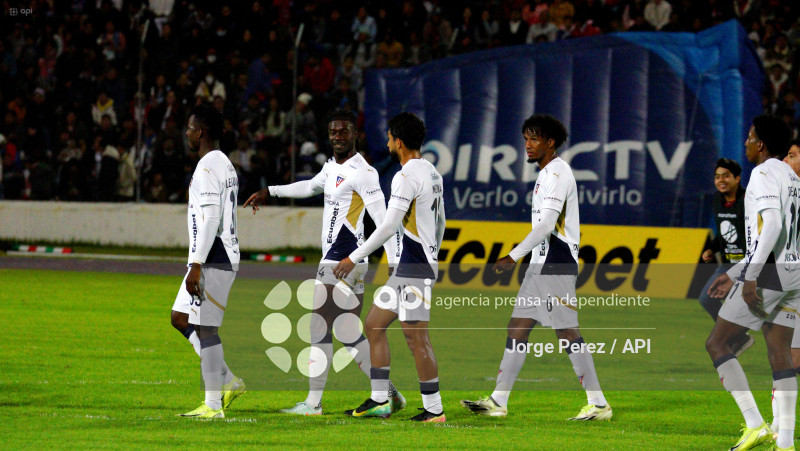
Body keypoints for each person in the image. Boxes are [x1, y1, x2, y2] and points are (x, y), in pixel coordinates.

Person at [244, 110, 405, 415]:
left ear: (354, 134)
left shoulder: (364, 172)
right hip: (340, 259)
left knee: (319, 326)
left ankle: (313, 403)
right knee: (346, 332)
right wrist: (271, 191)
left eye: (343, 132)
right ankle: (388, 393)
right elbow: (310, 186)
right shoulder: (332, 167)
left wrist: (393, 265)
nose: (337, 137)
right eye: (333, 132)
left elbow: (385, 222)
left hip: (343, 259)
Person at [460, 114, 611, 420]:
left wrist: (512, 256)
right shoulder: (546, 173)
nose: (527, 145)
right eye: (526, 138)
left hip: (556, 263)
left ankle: (598, 403)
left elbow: (545, 225)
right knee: (517, 328)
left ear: (550, 142)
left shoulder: (557, 174)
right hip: (541, 265)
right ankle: (499, 400)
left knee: (567, 332)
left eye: (534, 139)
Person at [333, 112, 446, 423]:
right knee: (373, 324)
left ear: (398, 142)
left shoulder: (406, 175)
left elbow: (387, 226)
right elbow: (442, 221)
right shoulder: (432, 172)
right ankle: (381, 399)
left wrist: (352, 257)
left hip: (415, 268)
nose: (386, 143)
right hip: (413, 266)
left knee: (416, 338)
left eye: (388, 138)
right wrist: (434, 251)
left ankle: (434, 409)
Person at [705, 115, 799, 450]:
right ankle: (785, 443)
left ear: (760, 144)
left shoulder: (762, 173)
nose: (745, 142)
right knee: (780, 355)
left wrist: (751, 276)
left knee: (717, 344)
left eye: (749, 136)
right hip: (793, 273)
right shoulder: (792, 177)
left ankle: (755, 424)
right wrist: (733, 271)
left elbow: (771, 225)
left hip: (769, 274)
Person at [174, 104, 245, 419]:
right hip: (217, 253)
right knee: (181, 317)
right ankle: (229, 381)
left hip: (213, 255)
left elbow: (210, 218)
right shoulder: (224, 164)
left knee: (205, 329)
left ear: (200, 132)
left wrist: (196, 264)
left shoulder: (206, 168)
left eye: (190, 128)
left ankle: (214, 405)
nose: (187, 133)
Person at [698, 158, 753, 355]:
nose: (721, 180)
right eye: (717, 177)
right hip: (727, 265)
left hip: (749, 266)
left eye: (726, 176)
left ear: (737, 179)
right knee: (706, 298)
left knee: (757, 308)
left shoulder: (748, 201)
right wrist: (712, 249)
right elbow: (724, 232)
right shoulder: (717, 199)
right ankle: (738, 338)